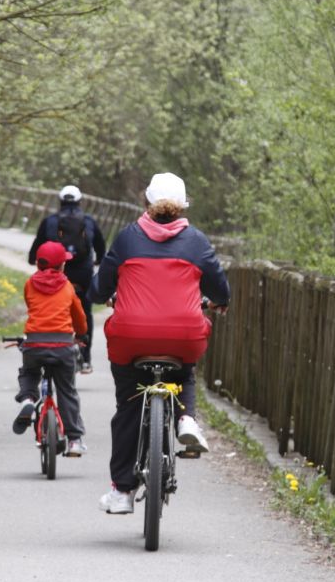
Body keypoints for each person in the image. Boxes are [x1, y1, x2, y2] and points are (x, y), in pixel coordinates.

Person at [89, 172, 230, 514]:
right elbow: (221, 288)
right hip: (183, 335)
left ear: (146, 203)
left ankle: (122, 493)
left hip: (131, 336)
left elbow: (98, 288)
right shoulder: (196, 241)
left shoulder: (127, 239)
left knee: (128, 406)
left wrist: (107, 295)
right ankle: (186, 419)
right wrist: (218, 302)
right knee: (184, 371)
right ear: (182, 207)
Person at [13, 241, 89, 456]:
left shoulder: (30, 284)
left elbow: (32, 306)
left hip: (35, 343)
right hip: (63, 345)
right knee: (67, 390)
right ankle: (74, 440)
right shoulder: (67, 287)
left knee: (29, 372)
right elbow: (79, 318)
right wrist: (81, 333)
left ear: (38, 263)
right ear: (62, 266)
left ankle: (28, 399)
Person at [28, 185, 106, 374]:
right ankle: (86, 359)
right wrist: (98, 261)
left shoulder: (50, 221)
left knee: (52, 306)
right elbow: (101, 246)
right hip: (83, 273)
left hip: (59, 272)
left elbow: (38, 244)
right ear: (80, 201)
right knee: (85, 312)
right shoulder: (88, 221)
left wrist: (32, 259)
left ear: (60, 201)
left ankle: (47, 350)